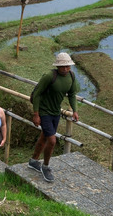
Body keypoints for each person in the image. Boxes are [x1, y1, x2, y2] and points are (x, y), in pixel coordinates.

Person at [29, 52, 80, 183]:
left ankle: (33, 161)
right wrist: (36, 114)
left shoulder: (71, 77)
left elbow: (72, 94)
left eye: (68, 66)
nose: (65, 69)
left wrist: (75, 110)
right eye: (63, 66)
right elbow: (37, 94)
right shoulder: (49, 76)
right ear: (57, 66)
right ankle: (45, 167)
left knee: (44, 137)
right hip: (44, 111)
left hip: (56, 112)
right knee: (52, 140)